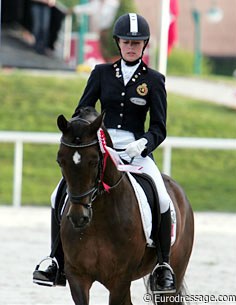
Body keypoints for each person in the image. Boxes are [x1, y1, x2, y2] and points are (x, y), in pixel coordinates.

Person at [33, 13, 176, 294]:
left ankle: (162, 265)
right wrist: (89, 130)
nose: (131, 47)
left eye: (137, 42)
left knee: (161, 196)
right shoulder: (100, 73)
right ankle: (55, 260)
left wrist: (143, 144)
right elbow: (82, 110)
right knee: (57, 194)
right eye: (126, 41)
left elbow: (159, 127)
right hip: (101, 147)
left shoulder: (154, 80)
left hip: (136, 151)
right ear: (118, 43)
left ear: (144, 45)